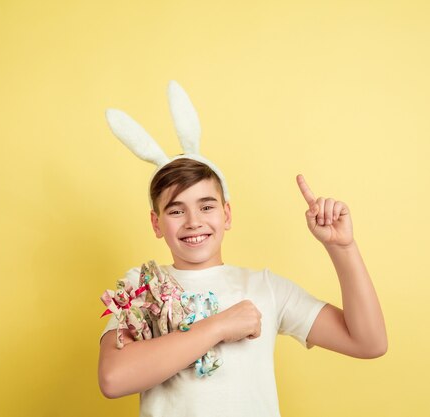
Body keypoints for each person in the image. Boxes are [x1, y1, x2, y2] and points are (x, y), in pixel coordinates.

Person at [98, 81, 387, 417]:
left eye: (207, 206)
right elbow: (114, 378)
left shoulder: (265, 288)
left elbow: (369, 342)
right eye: (176, 210)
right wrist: (219, 326)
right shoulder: (141, 284)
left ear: (227, 214)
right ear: (156, 223)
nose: (193, 221)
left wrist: (343, 247)